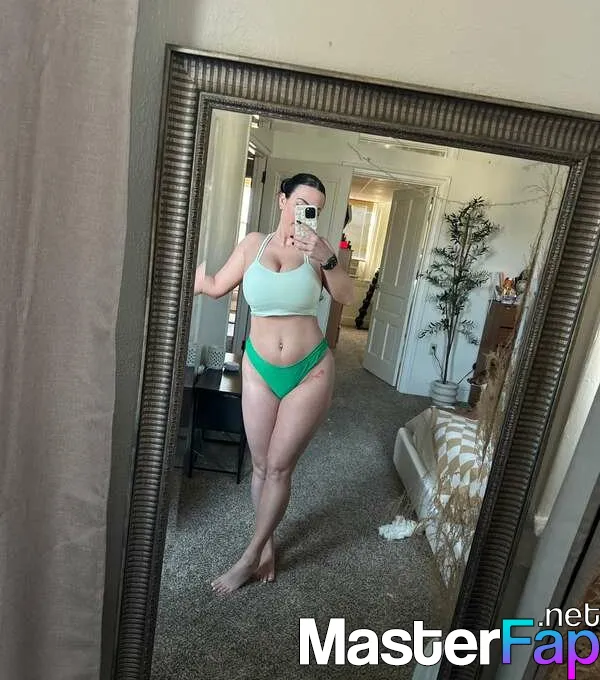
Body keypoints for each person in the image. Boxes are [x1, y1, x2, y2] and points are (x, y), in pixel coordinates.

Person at [194, 172, 355, 593]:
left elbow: (346, 297)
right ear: (283, 200)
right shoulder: (253, 244)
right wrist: (186, 277)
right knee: (262, 466)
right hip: (259, 369)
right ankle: (265, 543)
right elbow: (215, 286)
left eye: (315, 209)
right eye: (302, 203)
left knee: (281, 467)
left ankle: (249, 557)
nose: (307, 212)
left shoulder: (319, 252)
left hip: (310, 371)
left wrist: (328, 258)